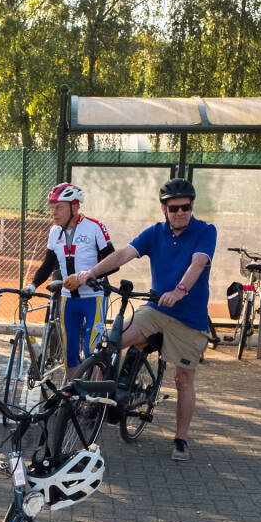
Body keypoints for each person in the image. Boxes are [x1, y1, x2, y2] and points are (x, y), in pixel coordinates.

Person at [68, 177, 214, 461]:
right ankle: (93, 404)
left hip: (189, 318)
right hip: (156, 310)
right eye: (173, 208)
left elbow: (198, 264)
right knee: (108, 342)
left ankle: (181, 439)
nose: (180, 213)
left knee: (183, 379)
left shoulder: (205, 231)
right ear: (164, 209)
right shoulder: (155, 233)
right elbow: (124, 254)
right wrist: (91, 273)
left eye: (185, 207)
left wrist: (179, 291)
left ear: (192, 206)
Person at [29, 182, 116, 380]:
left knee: (93, 351)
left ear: (75, 207)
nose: (54, 213)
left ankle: (92, 395)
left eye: (59, 207)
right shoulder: (54, 232)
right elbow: (48, 264)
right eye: (52, 208)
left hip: (94, 297)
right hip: (69, 299)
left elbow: (113, 262)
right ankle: (72, 393)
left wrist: (88, 276)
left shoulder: (95, 227)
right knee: (69, 353)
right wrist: (32, 286)